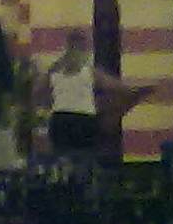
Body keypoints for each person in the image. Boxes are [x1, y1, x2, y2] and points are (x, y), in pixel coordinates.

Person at [39, 31, 156, 163]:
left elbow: (39, 92)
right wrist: (139, 91)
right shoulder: (90, 72)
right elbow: (117, 87)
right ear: (84, 48)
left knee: (61, 161)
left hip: (60, 120)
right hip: (83, 120)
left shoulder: (54, 70)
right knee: (86, 161)